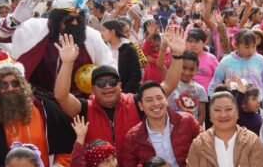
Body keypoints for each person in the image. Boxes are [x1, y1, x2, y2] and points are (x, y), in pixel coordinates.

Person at [54, 27, 184, 157]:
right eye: (100, 83)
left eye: (112, 81)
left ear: (120, 86)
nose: (107, 86)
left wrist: (177, 55)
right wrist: (67, 63)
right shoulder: (85, 109)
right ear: (92, 90)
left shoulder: (136, 103)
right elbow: (61, 96)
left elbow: (168, 86)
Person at [0, 0, 116, 98]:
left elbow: (109, 65)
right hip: (39, 101)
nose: (75, 23)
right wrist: (14, 20)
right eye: (69, 19)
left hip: (78, 104)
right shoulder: (35, 28)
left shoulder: (91, 36)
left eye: (79, 19)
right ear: (56, 18)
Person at [0, 54, 74, 167]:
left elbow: (68, 150)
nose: (10, 89)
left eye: (15, 83)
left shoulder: (47, 109)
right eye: (3, 85)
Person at [207, 29, 263, 109]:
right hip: (234, 107)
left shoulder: (261, 60)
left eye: (254, 46)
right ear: (237, 46)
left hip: (257, 107)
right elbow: (212, 87)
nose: (251, 51)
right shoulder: (226, 62)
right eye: (247, 47)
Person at [100, 20, 141, 94]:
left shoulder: (129, 49)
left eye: (104, 30)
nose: (101, 33)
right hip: (107, 91)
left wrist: (124, 92)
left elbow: (136, 75)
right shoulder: (103, 48)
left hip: (126, 92)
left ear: (112, 32)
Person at [168, 51, 208, 125]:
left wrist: (196, 130)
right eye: (184, 68)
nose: (187, 72)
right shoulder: (170, 85)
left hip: (192, 130)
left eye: (191, 69)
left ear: (196, 70)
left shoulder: (200, 90)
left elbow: (202, 114)